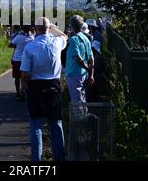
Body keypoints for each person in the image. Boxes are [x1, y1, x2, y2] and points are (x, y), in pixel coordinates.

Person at [20, 17, 68, 162]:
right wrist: (53, 28)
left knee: (36, 125)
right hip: (53, 85)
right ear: (48, 28)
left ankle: (37, 160)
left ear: (35, 30)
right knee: (56, 123)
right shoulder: (57, 42)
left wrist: (24, 85)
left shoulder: (30, 47)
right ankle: (59, 157)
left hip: (36, 87)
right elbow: (65, 36)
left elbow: (25, 73)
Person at [65, 15, 95, 103]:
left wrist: (88, 69)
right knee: (82, 100)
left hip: (74, 73)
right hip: (83, 75)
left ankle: (80, 117)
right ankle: (84, 116)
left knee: (77, 102)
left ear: (71, 26)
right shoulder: (86, 38)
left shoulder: (74, 40)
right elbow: (91, 58)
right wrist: (91, 74)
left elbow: (79, 59)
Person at [9, 25, 34, 99]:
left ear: (22, 29)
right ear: (30, 29)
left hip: (17, 59)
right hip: (27, 59)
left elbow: (10, 45)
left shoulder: (18, 37)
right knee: (26, 77)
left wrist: (16, 46)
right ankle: (23, 90)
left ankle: (17, 92)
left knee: (17, 77)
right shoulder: (32, 37)